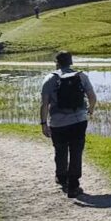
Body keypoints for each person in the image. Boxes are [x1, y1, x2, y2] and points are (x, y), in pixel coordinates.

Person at [40, 51, 97, 198]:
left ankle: (61, 177)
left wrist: (44, 123)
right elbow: (92, 97)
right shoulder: (81, 76)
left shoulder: (49, 78)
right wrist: (90, 110)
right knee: (76, 151)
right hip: (79, 121)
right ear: (71, 62)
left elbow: (44, 104)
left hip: (58, 123)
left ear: (57, 63)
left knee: (60, 150)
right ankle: (73, 185)